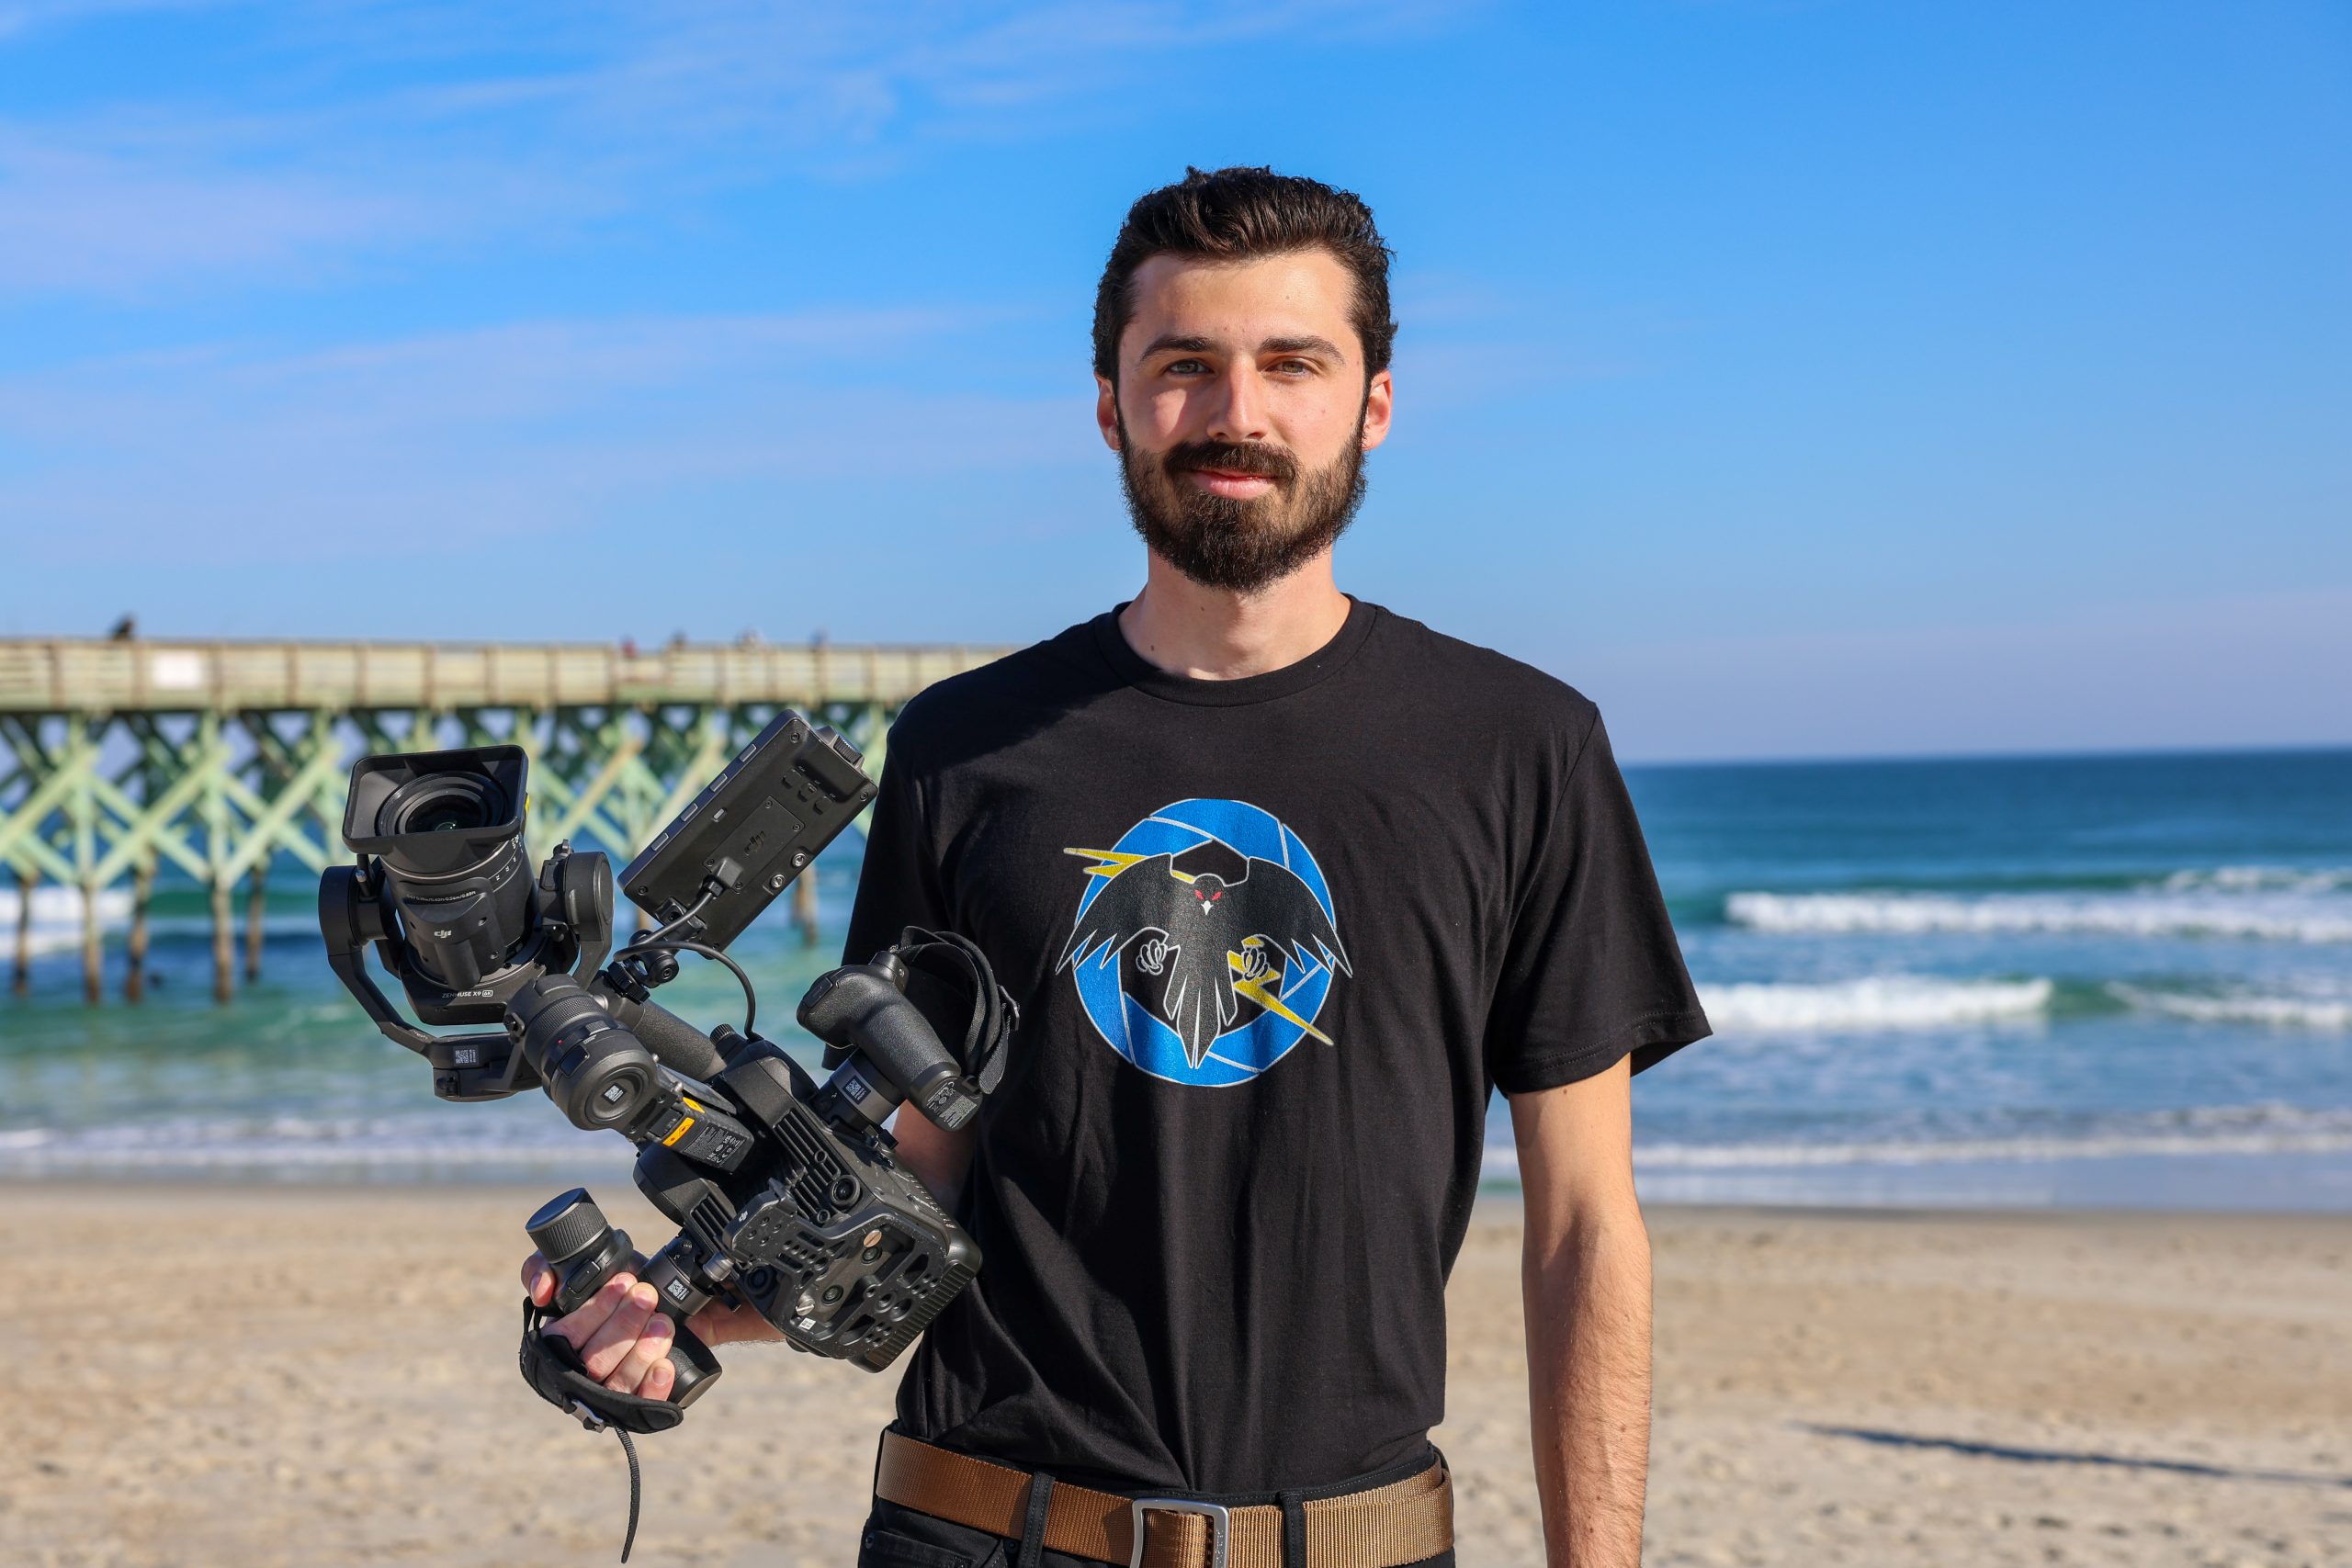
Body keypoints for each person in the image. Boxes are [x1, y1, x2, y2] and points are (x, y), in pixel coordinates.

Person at [524, 166, 1711, 1568]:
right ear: (1110, 406)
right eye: (1184, 367)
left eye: (1292, 363)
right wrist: (702, 1297)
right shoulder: (965, 750)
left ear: (1373, 402)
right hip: (983, 1528)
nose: (1237, 413)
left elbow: (1583, 1230)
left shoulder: (1520, 749)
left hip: (1359, 1541)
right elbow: (923, 1172)